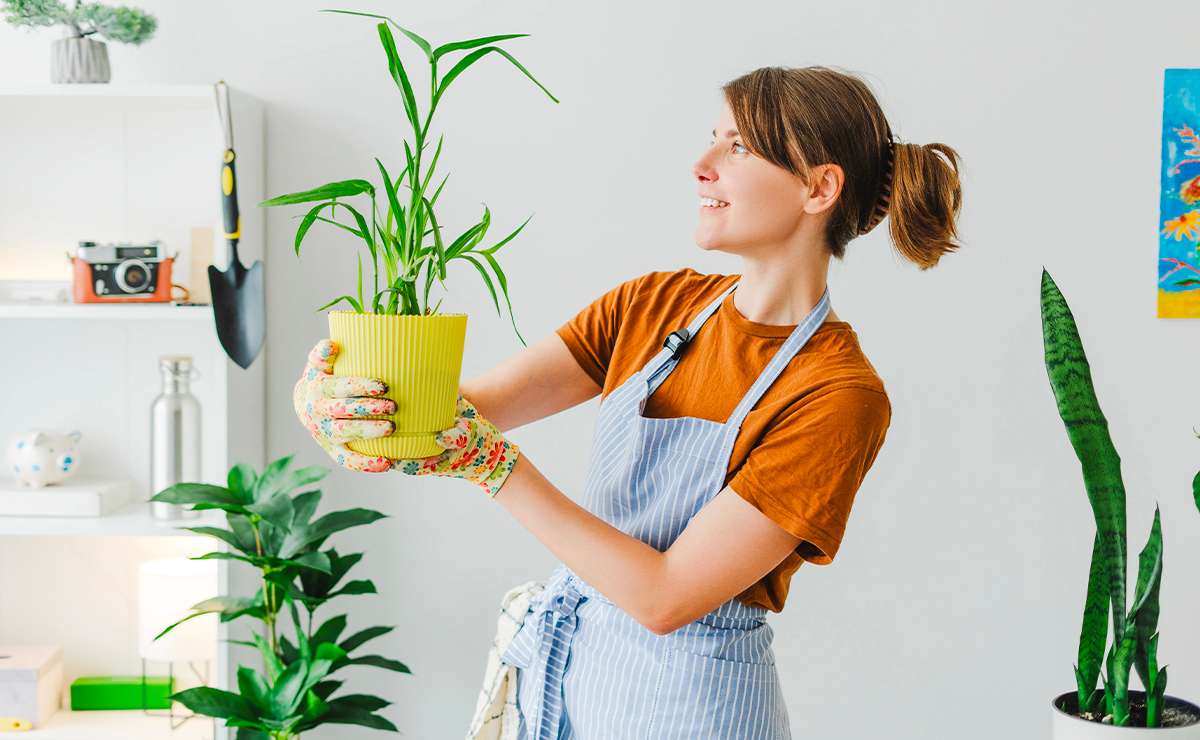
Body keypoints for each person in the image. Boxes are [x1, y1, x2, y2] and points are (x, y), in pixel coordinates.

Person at [294, 66, 962, 739]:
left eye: (737, 147)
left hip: (694, 709)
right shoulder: (652, 305)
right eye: (712, 139)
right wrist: (340, 400)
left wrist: (494, 468)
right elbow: (463, 411)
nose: (702, 166)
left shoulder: (837, 394)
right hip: (570, 681)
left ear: (820, 187)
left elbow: (667, 596)